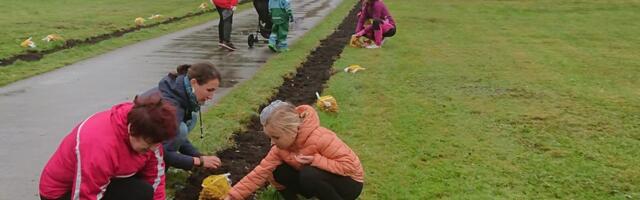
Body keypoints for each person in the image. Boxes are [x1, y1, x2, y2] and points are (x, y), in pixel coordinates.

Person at [39, 93, 178, 200]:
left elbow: (155, 178)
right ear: (132, 130)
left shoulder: (151, 134)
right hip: (61, 193)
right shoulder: (100, 145)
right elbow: (86, 195)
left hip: (104, 181)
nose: (153, 150)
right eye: (148, 146)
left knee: (143, 191)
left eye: (157, 144)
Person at [224, 101, 364, 200]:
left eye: (276, 137)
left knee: (309, 174)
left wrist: (316, 160)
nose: (272, 142)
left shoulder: (321, 137)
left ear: (292, 130)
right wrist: (232, 196)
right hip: (320, 181)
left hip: (350, 184)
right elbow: (259, 173)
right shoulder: (279, 148)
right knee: (276, 170)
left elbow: (349, 167)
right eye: (270, 137)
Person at [143, 62, 223, 171]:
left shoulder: (178, 90)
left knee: (190, 119)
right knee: (181, 129)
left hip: (148, 140)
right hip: (135, 149)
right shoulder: (171, 106)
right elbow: (160, 151)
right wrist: (198, 161)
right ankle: (155, 169)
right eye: (209, 90)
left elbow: (174, 137)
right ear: (194, 83)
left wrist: (197, 155)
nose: (211, 97)